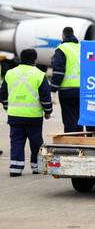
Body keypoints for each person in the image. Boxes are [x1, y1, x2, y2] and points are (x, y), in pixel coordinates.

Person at [0, 49, 52, 177]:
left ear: (21, 58)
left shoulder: (10, 73)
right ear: (35, 59)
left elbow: (3, 93)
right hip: (33, 116)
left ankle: (15, 168)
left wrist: (7, 107)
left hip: (14, 115)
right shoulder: (39, 74)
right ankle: (37, 167)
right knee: (36, 142)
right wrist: (48, 111)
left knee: (16, 141)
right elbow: (45, 96)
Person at [51, 27, 82, 133]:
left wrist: (53, 89)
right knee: (79, 119)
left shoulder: (62, 48)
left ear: (63, 35)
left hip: (67, 90)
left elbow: (58, 71)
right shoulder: (81, 48)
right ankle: (80, 141)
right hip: (82, 90)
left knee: (69, 119)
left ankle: (71, 144)